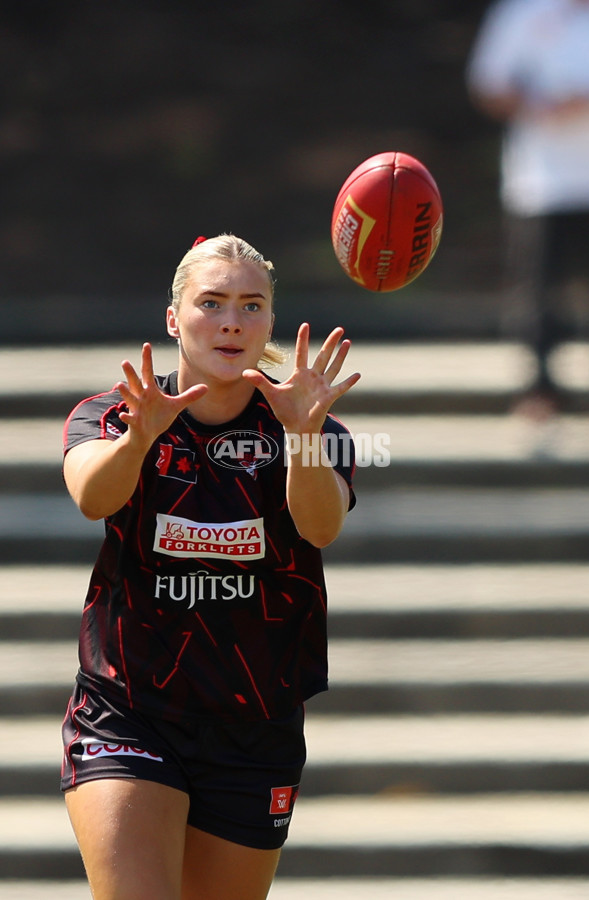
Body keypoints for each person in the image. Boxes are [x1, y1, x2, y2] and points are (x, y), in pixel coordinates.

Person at [60, 233, 360, 900]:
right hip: (129, 710)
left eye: (252, 306)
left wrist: (304, 438)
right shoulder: (113, 415)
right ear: (174, 318)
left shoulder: (310, 427)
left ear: (272, 323)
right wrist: (139, 441)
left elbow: (321, 526)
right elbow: (91, 497)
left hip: (256, 721)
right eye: (212, 302)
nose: (231, 321)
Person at [466, 0, 589, 418]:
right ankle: (539, 389)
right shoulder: (522, 14)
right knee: (538, 291)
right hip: (543, 181)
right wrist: (539, 104)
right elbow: (489, 85)